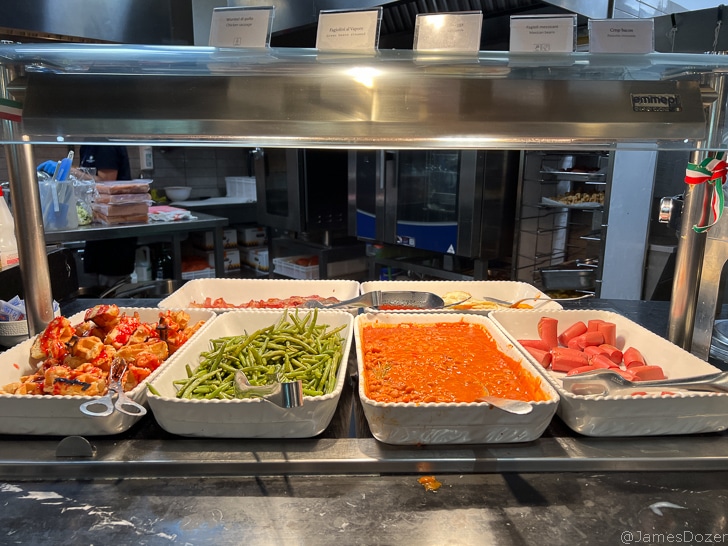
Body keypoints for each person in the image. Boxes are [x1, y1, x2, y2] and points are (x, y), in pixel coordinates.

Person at [76, 145, 138, 288]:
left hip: (115, 233)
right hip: (98, 229)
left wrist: (71, 172)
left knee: (114, 294)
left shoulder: (105, 144)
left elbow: (107, 180)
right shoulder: (87, 145)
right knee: (94, 295)